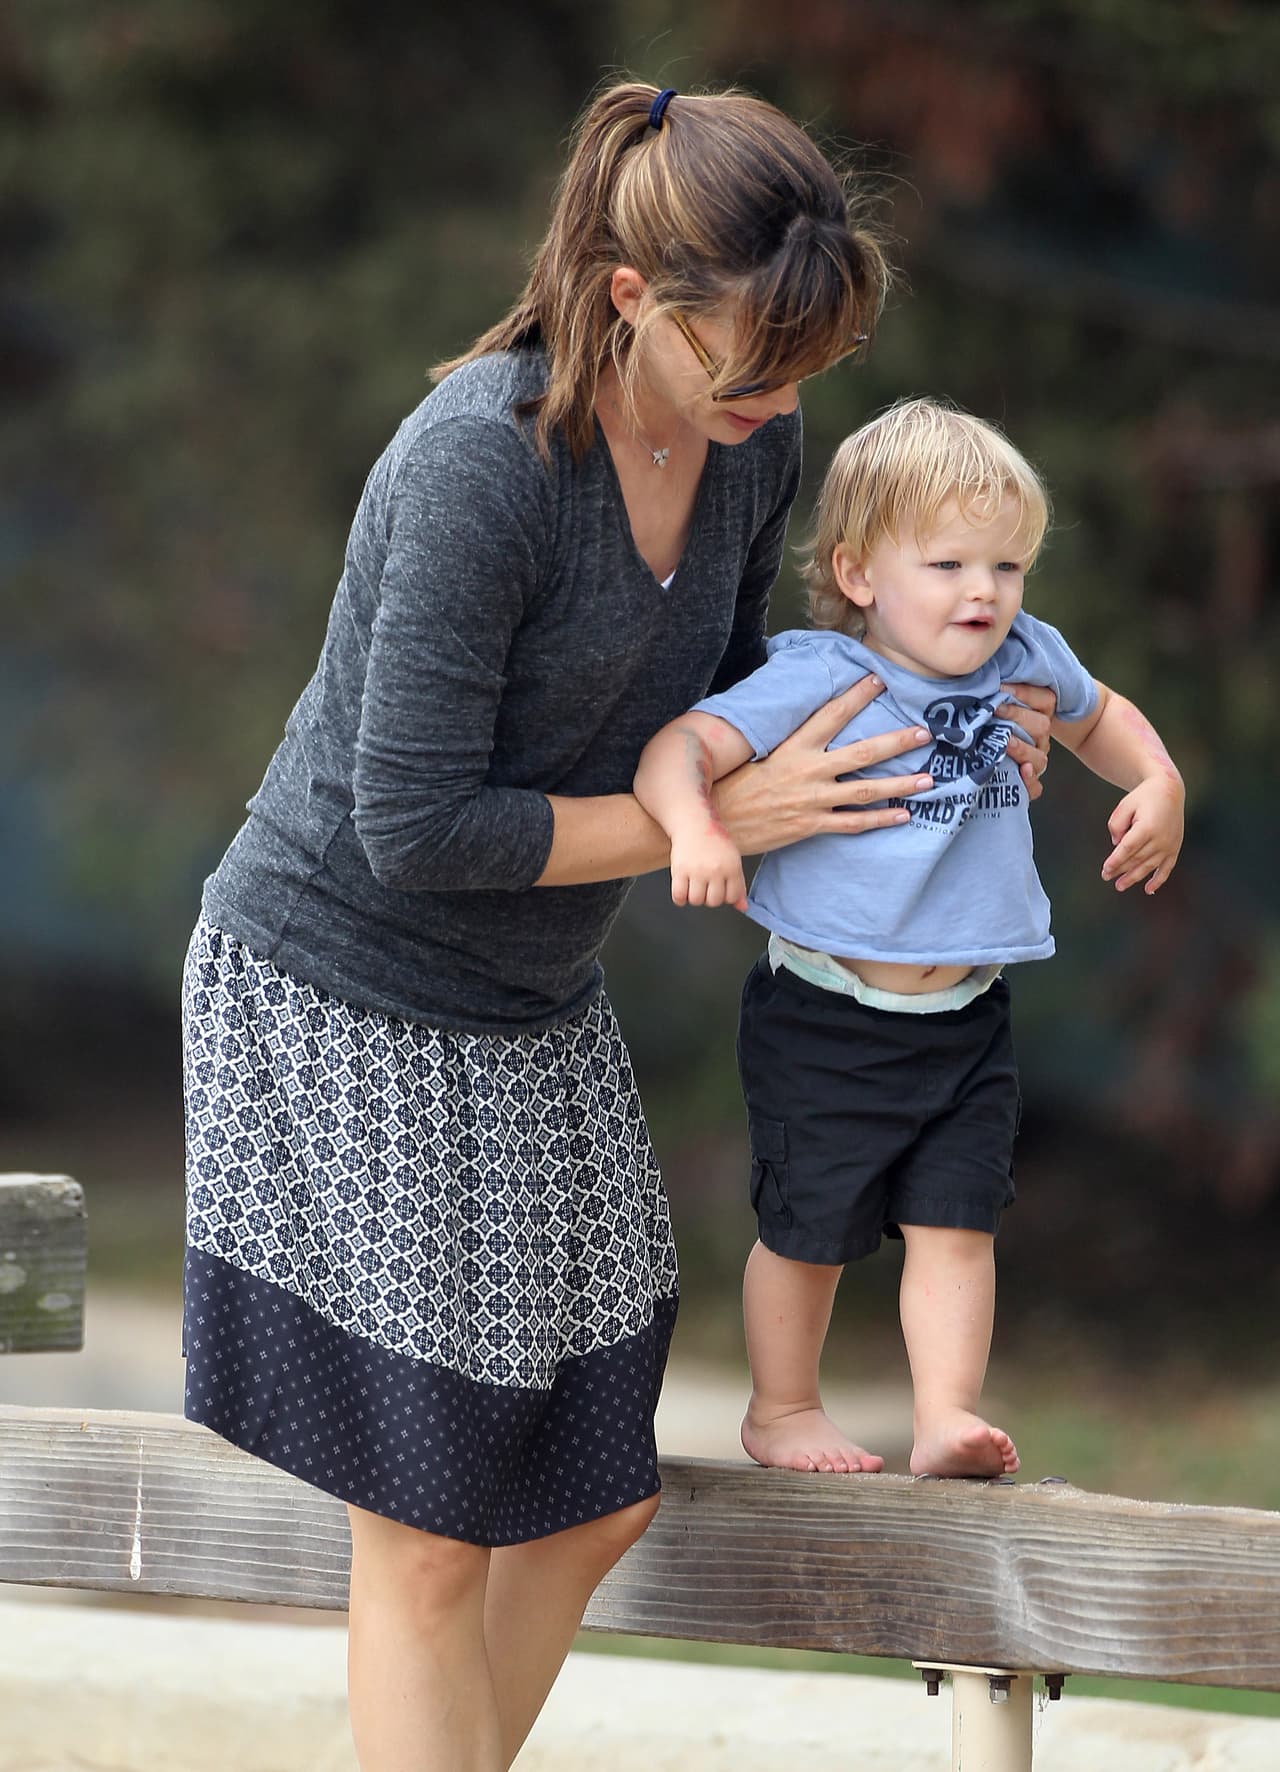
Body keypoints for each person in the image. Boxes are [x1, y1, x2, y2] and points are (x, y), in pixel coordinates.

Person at [181, 82, 1057, 1771]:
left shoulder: (751, 448)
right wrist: (713, 828)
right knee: (430, 1532)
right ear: (629, 298)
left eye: (810, 369)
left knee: (592, 1498)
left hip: (527, 997)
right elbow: (417, 823)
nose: (790, 405)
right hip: (338, 984)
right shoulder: (477, 467)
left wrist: (963, 714)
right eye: (757, 368)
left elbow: (748, 704)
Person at [633, 396, 1184, 1484]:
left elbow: (1100, 714)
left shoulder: (1024, 655)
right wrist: (696, 826)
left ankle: (943, 1414)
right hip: (825, 1017)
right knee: (807, 1231)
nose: (983, 591)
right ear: (856, 573)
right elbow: (674, 747)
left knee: (957, 1224)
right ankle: (780, 1405)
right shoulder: (820, 674)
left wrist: (1158, 778)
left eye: (1006, 565)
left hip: (965, 1019)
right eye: (945, 563)